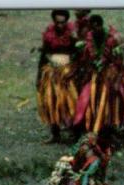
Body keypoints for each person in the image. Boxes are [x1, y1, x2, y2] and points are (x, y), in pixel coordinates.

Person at [74, 15, 124, 134]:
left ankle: (122, 127)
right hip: (96, 73)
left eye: (97, 27)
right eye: (92, 28)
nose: (95, 30)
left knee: (118, 96)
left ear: (101, 25)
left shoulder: (114, 38)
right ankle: (90, 125)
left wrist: (117, 76)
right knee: (87, 95)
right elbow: (87, 58)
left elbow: (123, 59)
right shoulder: (89, 38)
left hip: (112, 73)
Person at [37, 10, 79, 143]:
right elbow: (44, 53)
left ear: (66, 21)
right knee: (51, 100)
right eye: (57, 22)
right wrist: (39, 75)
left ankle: (75, 133)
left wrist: (74, 70)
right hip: (52, 70)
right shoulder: (49, 34)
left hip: (68, 70)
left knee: (70, 101)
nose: (60, 25)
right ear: (53, 21)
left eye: (63, 22)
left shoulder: (72, 34)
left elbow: (78, 53)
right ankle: (55, 134)